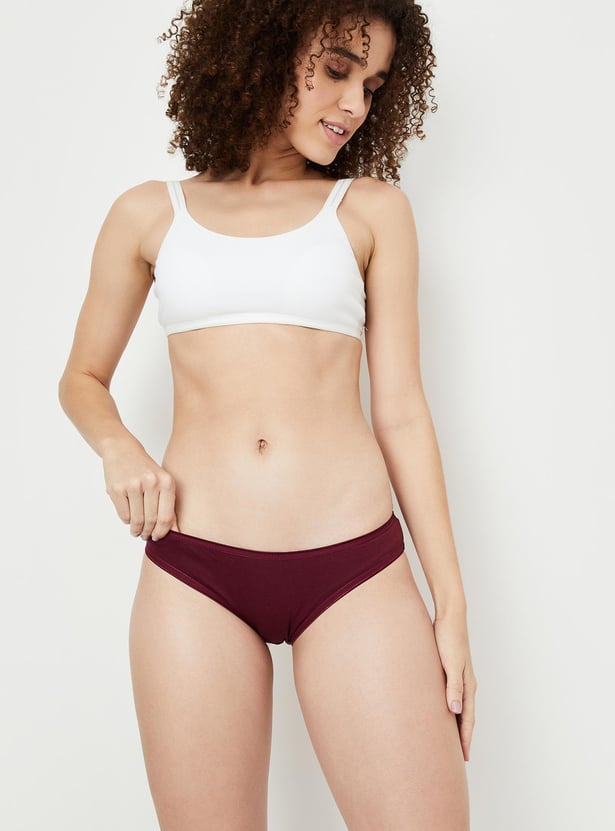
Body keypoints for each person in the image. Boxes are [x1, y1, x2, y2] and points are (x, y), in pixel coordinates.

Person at [59, 0, 477, 828]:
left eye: (373, 85)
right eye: (336, 70)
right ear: (261, 50)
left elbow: (400, 411)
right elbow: (82, 377)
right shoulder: (149, 213)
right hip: (194, 573)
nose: (353, 104)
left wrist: (451, 609)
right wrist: (119, 447)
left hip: (354, 570)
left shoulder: (371, 210)